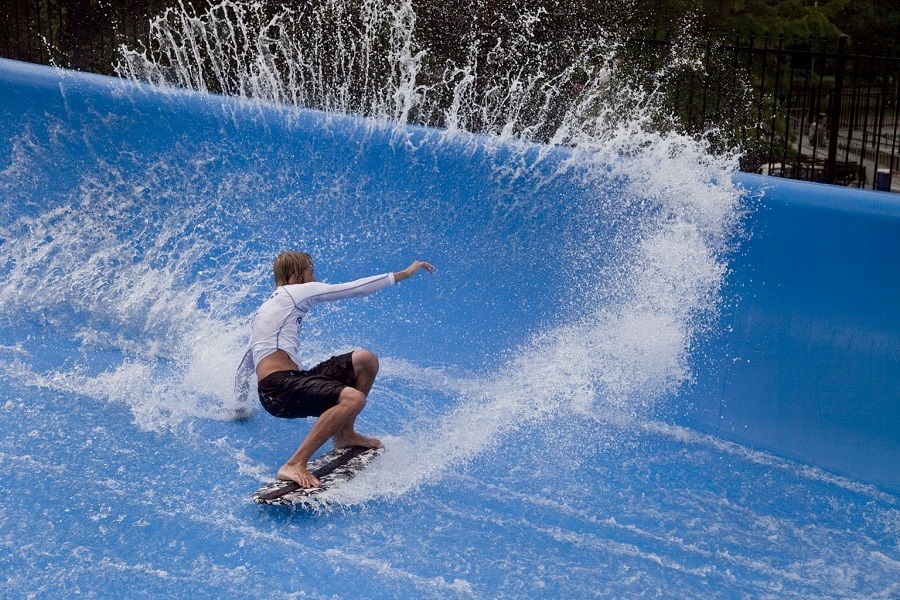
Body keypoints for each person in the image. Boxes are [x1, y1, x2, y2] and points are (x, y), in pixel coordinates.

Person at [249, 250, 435, 488]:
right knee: (353, 399)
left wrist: (238, 405)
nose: (315, 278)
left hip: (285, 383)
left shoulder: (269, 307)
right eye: (311, 271)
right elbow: (355, 288)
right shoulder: (295, 291)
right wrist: (405, 274)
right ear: (296, 276)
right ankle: (294, 464)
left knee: (366, 360)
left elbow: (248, 358)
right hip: (280, 388)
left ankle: (344, 434)